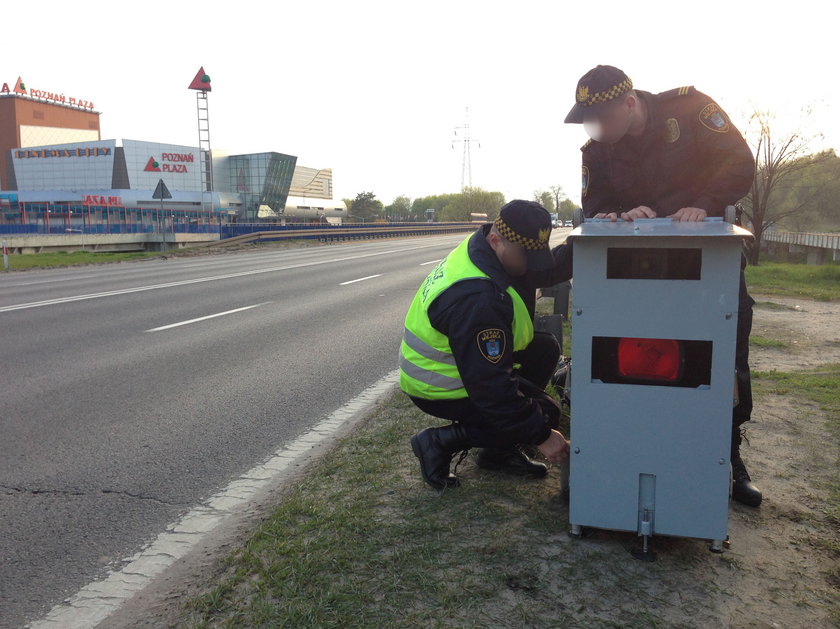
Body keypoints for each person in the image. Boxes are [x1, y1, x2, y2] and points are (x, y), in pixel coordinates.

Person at [564, 65, 762, 507]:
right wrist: (618, 214)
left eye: (604, 120)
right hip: (639, 268)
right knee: (638, 359)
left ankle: (729, 458)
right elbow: (594, 204)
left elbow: (739, 163)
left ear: (629, 103)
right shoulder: (597, 150)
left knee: (725, 355)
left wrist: (701, 204)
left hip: (707, 260)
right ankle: (629, 451)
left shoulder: (689, 110)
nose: (598, 132)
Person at [399, 200, 572, 490]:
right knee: (544, 416)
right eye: (527, 257)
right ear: (496, 241)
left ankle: (498, 452)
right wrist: (541, 435)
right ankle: (436, 443)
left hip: (460, 365)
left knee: (544, 349)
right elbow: (490, 387)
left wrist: (590, 237)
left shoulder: (488, 248)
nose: (532, 266)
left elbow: (543, 270)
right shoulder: (478, 298)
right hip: (439, 384)